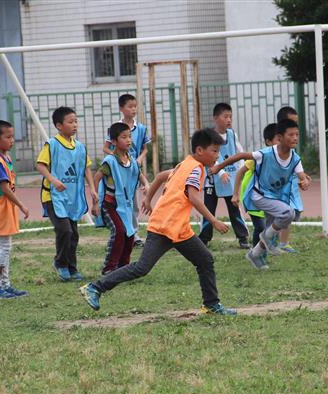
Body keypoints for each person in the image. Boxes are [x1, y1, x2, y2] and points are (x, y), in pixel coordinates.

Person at [80, 128, 237, 316]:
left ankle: (211, 305)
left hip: (179, 229)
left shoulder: (185, 164)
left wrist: (148, 199)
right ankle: (95, 287)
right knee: (142, 267)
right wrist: (213, 221)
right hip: (165, 226)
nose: (217, 155)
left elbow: (161, 175)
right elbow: (194, 197)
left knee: (205, 260)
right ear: (200, 150)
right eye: (214, 151)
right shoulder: (195, 169)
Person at [212, 119, 311, 270]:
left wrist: (305, 182)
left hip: (276, 198)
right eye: (291, 135)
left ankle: (255, 254)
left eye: (297, 134)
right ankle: (266, 237)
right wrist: (220, 167)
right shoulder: (265, 154)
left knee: (272, 230)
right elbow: (240, 156)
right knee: (288, 213)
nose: (295, 138)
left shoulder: (295, 158)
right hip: (260, 196)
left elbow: (302, 176)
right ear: (280, 137)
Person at [36, 106, 98, 282]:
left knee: (74, 234)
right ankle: (60, 263)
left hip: (71, 198)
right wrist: (53, 180)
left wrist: (92, 188)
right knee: (65, 230)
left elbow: (86, 168)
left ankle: (72, 267)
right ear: (59, 125)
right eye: (70, 122)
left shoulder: (80, 147)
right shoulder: (52, 144)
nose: (75, 125)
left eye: (76, 121)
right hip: (53, 197)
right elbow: (40, 165)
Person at [0, 120, 30, 299]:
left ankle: (4, 285)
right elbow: (5, 189)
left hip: (4, 210)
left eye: (13, 136)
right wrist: (21, 205)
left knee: (6, 248)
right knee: (4, 248)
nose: (12, 140)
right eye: (8, 137)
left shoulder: (5, 158)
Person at [94, 122, 149, 275]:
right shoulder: (110, 161)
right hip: (109, 205)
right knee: (119, 231)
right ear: (114, 141)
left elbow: (139, 174)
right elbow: (96, 178)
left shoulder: (131, 160)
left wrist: (146, 184)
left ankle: (123, 268)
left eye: (129, 136)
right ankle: (109, 268)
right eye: (124, 137)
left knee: (130, 234)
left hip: (125, 206)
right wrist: (95, 202)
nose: (128, 140)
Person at [231, 123, 283, 269]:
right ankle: (257, 256)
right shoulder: (259, 157)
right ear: (268, 142)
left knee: (271, 227)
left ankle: (262, 251)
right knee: (260, 226)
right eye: (278, 140)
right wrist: (235, 194)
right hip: (252, 198)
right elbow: (240, 172)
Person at [103, 94, 151, 248]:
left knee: (133, 204)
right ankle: (120, 231)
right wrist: (117, 157)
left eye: (135, 106)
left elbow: (145, 149)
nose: (133, 109)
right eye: (130, 106)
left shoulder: (141, 128)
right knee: (119, 203)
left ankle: (133, 234)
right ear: (121, 109)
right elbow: (106, 148)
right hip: (119, 173)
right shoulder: (115, 128)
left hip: (133, 172)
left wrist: (139, 159)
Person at [199, 103, 249, 249]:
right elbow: (209, 157)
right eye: (225, 116)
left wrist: (243, 168)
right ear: (215, 118)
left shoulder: (232, 135)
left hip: (230, 179)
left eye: (230, 117)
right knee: (208, 210)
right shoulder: (208, 136)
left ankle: (243, 237)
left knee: (235, 209)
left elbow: (239, 153)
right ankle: (204, 238)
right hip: (212, 180)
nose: (229, 120)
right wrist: (220, 172)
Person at [276, 106, 303, 253]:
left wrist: (303, 178)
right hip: (277, 186)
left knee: (292, 212)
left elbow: (295, 163)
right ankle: (279, 242)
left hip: (290, 185)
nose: (295, 126)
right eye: (292, 122)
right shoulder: (277, 145)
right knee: (285, 212)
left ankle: (282, 242)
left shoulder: (292, 147)